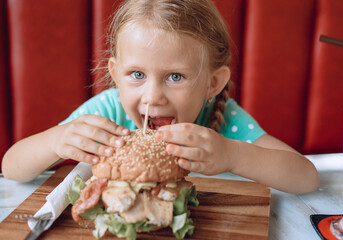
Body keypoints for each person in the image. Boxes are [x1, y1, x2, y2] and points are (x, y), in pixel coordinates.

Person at [2, 0, 318, 194]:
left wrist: (232, 155)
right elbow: (12, 168)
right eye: (137, 75)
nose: (152, 96)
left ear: (213, 83)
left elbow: (306, 177)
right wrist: (56, 141)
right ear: (115, 73)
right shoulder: (108, 111)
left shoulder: (222, 120)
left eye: (175, 77)